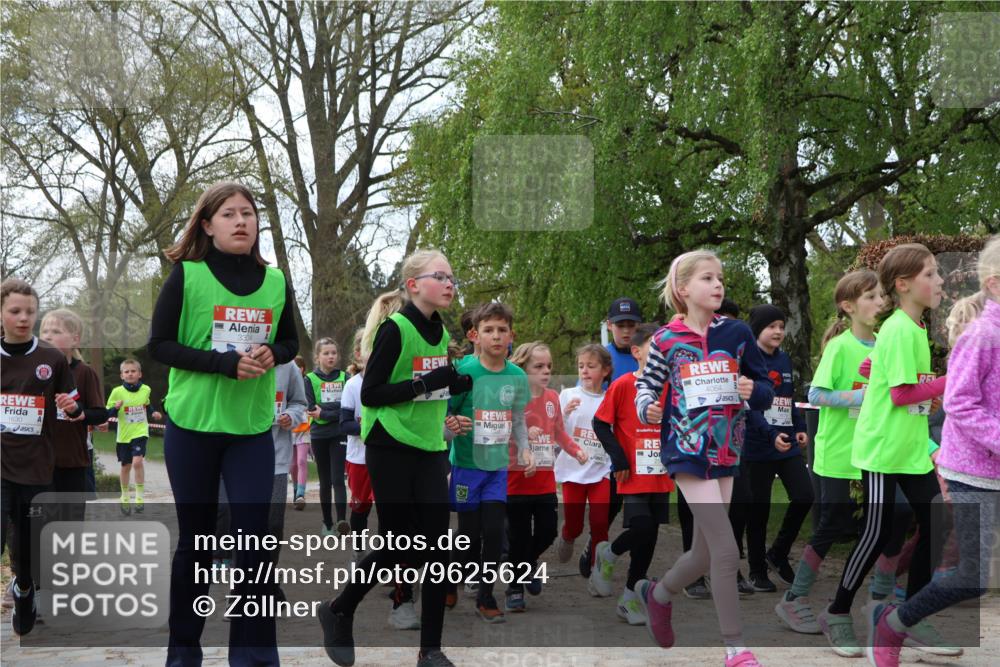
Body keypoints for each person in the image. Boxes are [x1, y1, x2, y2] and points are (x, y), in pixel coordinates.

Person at [149, 181, 299, 667]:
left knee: (255, 544)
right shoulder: (187, 275)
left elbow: (291, 342)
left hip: (250, 431)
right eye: (230, 214)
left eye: (248, 214)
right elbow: (159, 345)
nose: (241, 221)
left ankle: (255, 658)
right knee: (197, 542)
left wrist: (272, 352)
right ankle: (183, 655)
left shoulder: (276, 281)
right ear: (208, 225)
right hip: (192, 426)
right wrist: (224, 364)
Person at [318, 249, 472, 667]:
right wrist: (427, 384)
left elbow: (428, 386)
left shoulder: (439, 332)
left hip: (429, 446)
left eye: (452, 278)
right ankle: (339, 609)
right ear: (413, 285)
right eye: (440, 276)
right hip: (389, 445)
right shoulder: (395, 329)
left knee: (438, 549)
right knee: (396, 543)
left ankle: (430, 650)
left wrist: (452, 384)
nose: (449, 284)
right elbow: (371, 394)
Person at [632, 249, 774, 667]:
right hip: (686, 452)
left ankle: (658, 594)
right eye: (707, 278)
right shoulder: (665, 340)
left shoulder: (738, 334)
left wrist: (753, 390)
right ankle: (735, 648)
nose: (717, 285)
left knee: (705, 554)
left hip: (726, 451)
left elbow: (765, 388)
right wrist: (647, 407)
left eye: (720, 278)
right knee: (727, 551)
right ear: (683, 289)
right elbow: (646, 385)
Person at [869, 235, 1000, 666]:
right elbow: (959, 403)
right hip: (975, 471)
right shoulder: (981, 336)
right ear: (995, 284)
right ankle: (895, 622)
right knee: (972, 578)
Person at [822, 243, 953, 659]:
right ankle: (836, 612)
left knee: (937, 521)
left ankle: (907, 617)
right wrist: (951, 378)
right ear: (903, 284)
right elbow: (900, 395)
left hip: (910, 449)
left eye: (937, 272)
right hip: (881, 449)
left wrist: (928, 392)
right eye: (930, 274)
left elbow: (907, 387)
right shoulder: (898, 328)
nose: (940, 280)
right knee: (876, 532)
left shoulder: (913, 328)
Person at [2, 278, 82, 636]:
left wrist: (71, 406)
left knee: (27, 546)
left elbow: (73, 403)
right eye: (15, 311)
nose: (24, 318)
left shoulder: (50, 358)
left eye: (30, 311)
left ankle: (24, 588)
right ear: (1, 313)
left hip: (36, 468)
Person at [445, 302, 533, 623]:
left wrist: (525, 449)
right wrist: (451, 423)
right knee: (469, 537)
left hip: (496, 468)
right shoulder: (464, 371)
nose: (496, 336)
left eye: (502, 330)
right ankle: (449, 579)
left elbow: (518, 417)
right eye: (489, 330)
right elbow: (445, 411)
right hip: (467, 467)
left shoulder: (517, 376)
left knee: (494, 532)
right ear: (476, 335)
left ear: (511, 336)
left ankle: (486, 596)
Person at [591, 323, 675, 625]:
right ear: (637, 352)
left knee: (650, 536)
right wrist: (619, 459)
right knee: (642, 527)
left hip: (661, 474)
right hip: (632, 474)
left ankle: (629, 596)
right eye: (656, 347)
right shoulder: (624, 384)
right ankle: (609, 554)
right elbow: (600, 423)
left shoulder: (672, 387)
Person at [504, 341, 585, 613]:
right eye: (538, 366)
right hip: (515, 482)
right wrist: (525, 435)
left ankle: (527, 565)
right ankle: (514, 588)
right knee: (518, 538)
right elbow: (501, 432)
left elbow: (559, 431)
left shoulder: (551, 398)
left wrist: (575, 450)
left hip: (545, 483)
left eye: (549, 366)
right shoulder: (512, 397)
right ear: (523, 369)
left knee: (548, 531)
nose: (546, 371)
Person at [743, 305, 814, 593]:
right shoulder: (747, 362)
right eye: (771, 326)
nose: (778, 332)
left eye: (782, 327)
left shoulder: (784, 359)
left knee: (805, 495)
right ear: (757, 330)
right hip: (757, 445)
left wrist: (800, 427)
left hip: (785, 443)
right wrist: (770, 434)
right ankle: (756, 570)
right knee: (758, 511)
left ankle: (778, 553)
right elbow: (749, 409)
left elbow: (788, 398)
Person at [39, 308, 107, 523]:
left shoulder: (84, 372)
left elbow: (100, 414)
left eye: (56, 331)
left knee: (69, 524)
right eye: (44, 331)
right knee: (37, 524)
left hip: (72, 463)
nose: (48, 336)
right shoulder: (34, 371)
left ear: (75, 339)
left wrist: (79, 412)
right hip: (37, 462)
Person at [554, 344, 613, 583]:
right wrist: (565, 413)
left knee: (600, 522)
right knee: (575, 524)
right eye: (581, 366)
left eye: (591, 366)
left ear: (605, 370)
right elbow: (555, 430)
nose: (585, 371)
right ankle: (567, 535)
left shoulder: (610, 398)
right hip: (573, 471)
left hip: (601, 470)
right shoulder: (568, 395)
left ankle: (598, 571)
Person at [305, 337, 350, 535]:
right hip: (319, 435)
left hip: (339, 433)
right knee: (325, 481)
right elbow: (311, 408)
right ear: (317, 357)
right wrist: (333, 412)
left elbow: (347, 409)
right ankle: (327, 523)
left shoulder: (345, 377)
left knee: (338, 478)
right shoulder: (309, 379)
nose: (331, 356)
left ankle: (341, 522)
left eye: (334, 353)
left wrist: (324, 412)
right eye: (326, 353)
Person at [106, 359, 163, 514]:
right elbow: (107, 412)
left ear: (139, 374)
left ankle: (139, 496)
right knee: (126, 466)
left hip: (140, 432)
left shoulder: (146, 389)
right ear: (122, 375)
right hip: (124, 435)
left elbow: (147, 404)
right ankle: (125, 496)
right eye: (127, 372)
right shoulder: (117, 392)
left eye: (133, 371)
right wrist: (115, 408)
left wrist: (153, 413)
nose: (130, 374)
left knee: (137, 462)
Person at [605, 297, 642, 382]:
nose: (626, 330)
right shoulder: (600, 358)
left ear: (639, 325)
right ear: (609, 325)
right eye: (620, 325)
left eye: (631, 325)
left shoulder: (649, 356)